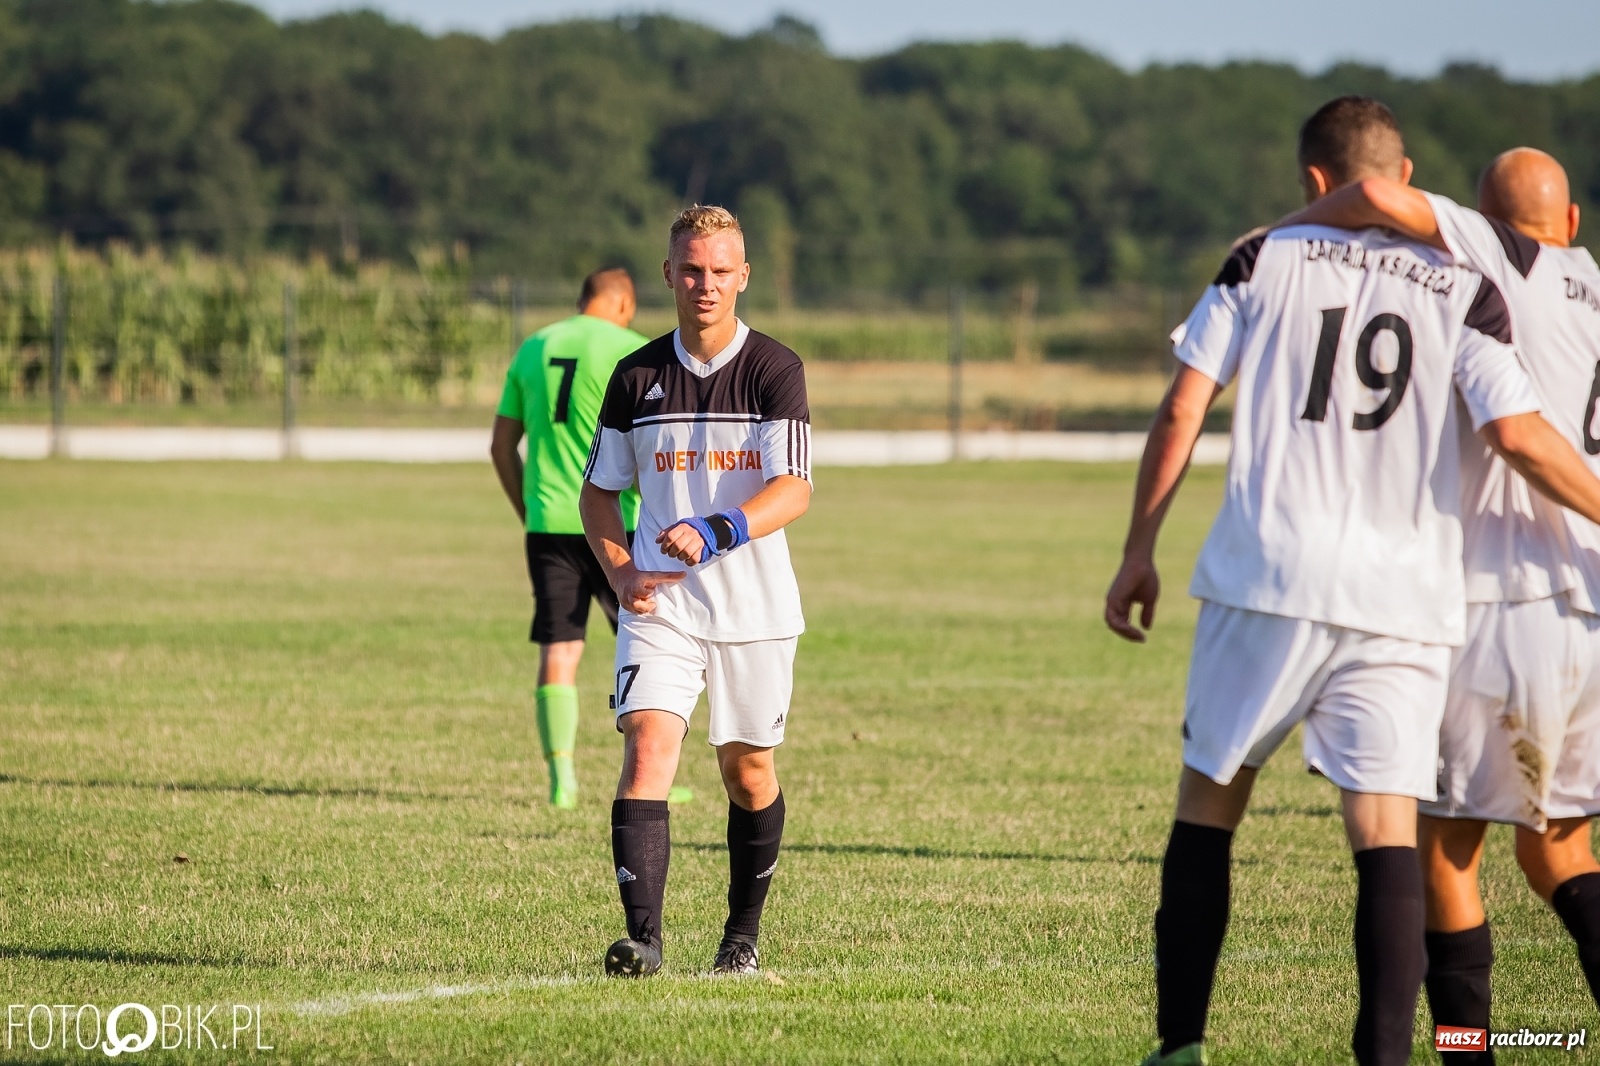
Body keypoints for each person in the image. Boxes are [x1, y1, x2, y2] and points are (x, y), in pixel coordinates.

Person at [1104, 97, 1600, 1066]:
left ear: (1310, 183)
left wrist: (1138, 547)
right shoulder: (1488, 287)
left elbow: (1180, 409)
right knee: (1460, 844)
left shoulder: (1268, 255)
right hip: (1433, 597)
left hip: (1296, 574)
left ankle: (1185, 1046)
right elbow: (1520, 429)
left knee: (1228, 805)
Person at [1287, 148, 1600, 1052]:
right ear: (1573, 222)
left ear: (1485, 220)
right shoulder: (1591, 279)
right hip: (1590, 601)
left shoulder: (1507, 257)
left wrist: (1294, 237)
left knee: (1442, 856)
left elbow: (1384, 193)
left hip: (1506, 594)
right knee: (1558, 855)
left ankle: (1468, 1052)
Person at [580, 205, 812, 978]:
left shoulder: (775, 369)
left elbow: (793, 489)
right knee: (649, 749)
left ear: (744, 276)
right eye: (690, 269)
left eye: (720, 271)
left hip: (754, 609)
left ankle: (740, 938)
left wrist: (718, 529)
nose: (704, 285)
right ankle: (642, 941)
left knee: (747, 772)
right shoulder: (636, 374)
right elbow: (598, 493)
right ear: (668, 274)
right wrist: (619, 572)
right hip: (661, 609)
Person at [491, 269, 647, 809]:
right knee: (647, 650)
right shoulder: (633, 350)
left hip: (548, 524)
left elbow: (501, 446)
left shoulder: (535, 345)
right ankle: (659, 775)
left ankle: (563, 781)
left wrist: (528, 509)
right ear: (623, 303)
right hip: (616, 525)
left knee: (560, 649)